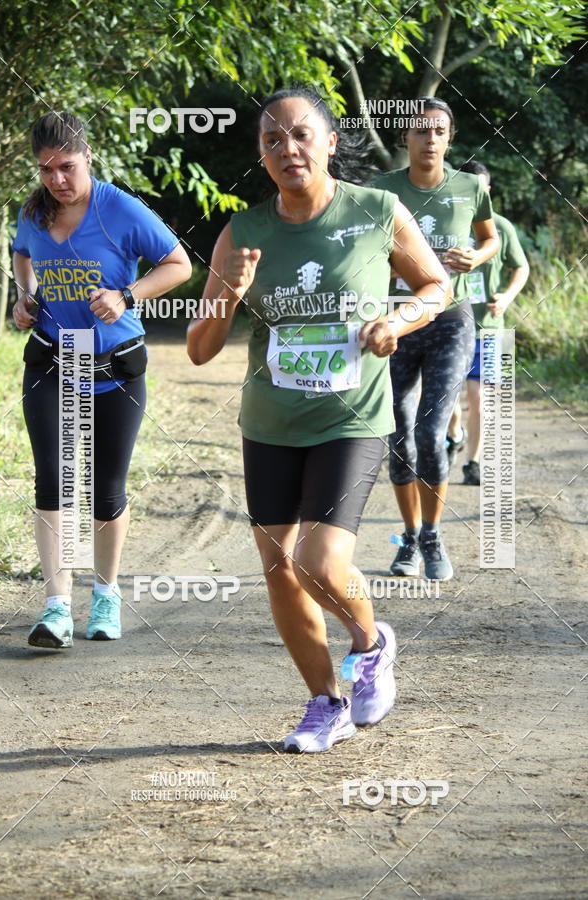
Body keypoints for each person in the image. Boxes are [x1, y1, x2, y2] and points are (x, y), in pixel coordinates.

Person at [188, 85, 452, 753]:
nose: (288, 149)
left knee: (316, 562)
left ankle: (370, 641)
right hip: (270, 423)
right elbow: (198, 348)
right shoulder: (243, 232)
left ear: (330, 142)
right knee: (280, 570)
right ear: (262, 155)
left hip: (353, 418)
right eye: (272, 140)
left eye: (301, 134)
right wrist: (228, 294)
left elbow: (435, 287)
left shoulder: (377, 211)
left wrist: (398, 319)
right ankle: (324, 703)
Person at [12, 111, 191, 649]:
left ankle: (106, 595)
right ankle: (56, 607)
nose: (57, 181)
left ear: (87, 157)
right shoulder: (33, 211)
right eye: (46, 171)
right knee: (55, 480)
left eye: (67, 167)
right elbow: (23, 256)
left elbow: (178, 263)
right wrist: (27, 295)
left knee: (104, 491)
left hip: (114, 365)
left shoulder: (119, 209)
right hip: (53, 358)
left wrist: (127, 295)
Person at [372, 98, 499, 581]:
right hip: (397, 319)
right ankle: (409, 535)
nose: (430, 140)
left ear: (450, 138)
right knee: (398, 434)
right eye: (420, 131)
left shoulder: (469, 187)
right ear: (405, 138)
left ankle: (433, 533)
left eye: (439, 131)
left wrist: (477, 257)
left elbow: (491, 239)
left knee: (430, 431)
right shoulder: (381, 190)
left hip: (450, 317)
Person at [455, 160, 529, 485]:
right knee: (441, 399)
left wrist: (507, 297)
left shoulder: (502, 227)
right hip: (446, 327)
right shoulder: (446, 225)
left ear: (487, 191)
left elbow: (521, 267)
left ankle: (472, 462)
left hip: (488, 329)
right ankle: (454, 432)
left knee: (479, 399)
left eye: (480, 188)